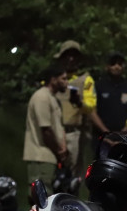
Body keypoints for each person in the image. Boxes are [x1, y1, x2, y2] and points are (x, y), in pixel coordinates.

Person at [23, 62, 69, 193]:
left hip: (49, 157)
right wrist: (60, 151)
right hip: (41, 156)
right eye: (63, 79)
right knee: (41, 198)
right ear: (53, 80)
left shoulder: (52, 98)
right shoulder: (41, 97)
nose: (66, 83)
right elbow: (46, 130)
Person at [52, 40, 95, 177]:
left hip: (74, 134)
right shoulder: (52, 79)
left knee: (73, 179)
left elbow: (91, 108)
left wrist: (79, 103)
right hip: (52, 133)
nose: (71, 59)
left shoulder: (85, 80)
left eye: (74, 55)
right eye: (67, 55)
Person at [85, 51, 127, 157]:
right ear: (107, 67)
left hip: (123, 139)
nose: (117, 67)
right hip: (101, 139)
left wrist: (124, 132)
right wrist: (106, 132)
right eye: (113, 63)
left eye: (120, 64)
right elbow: (91, 111)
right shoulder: (98, 86)